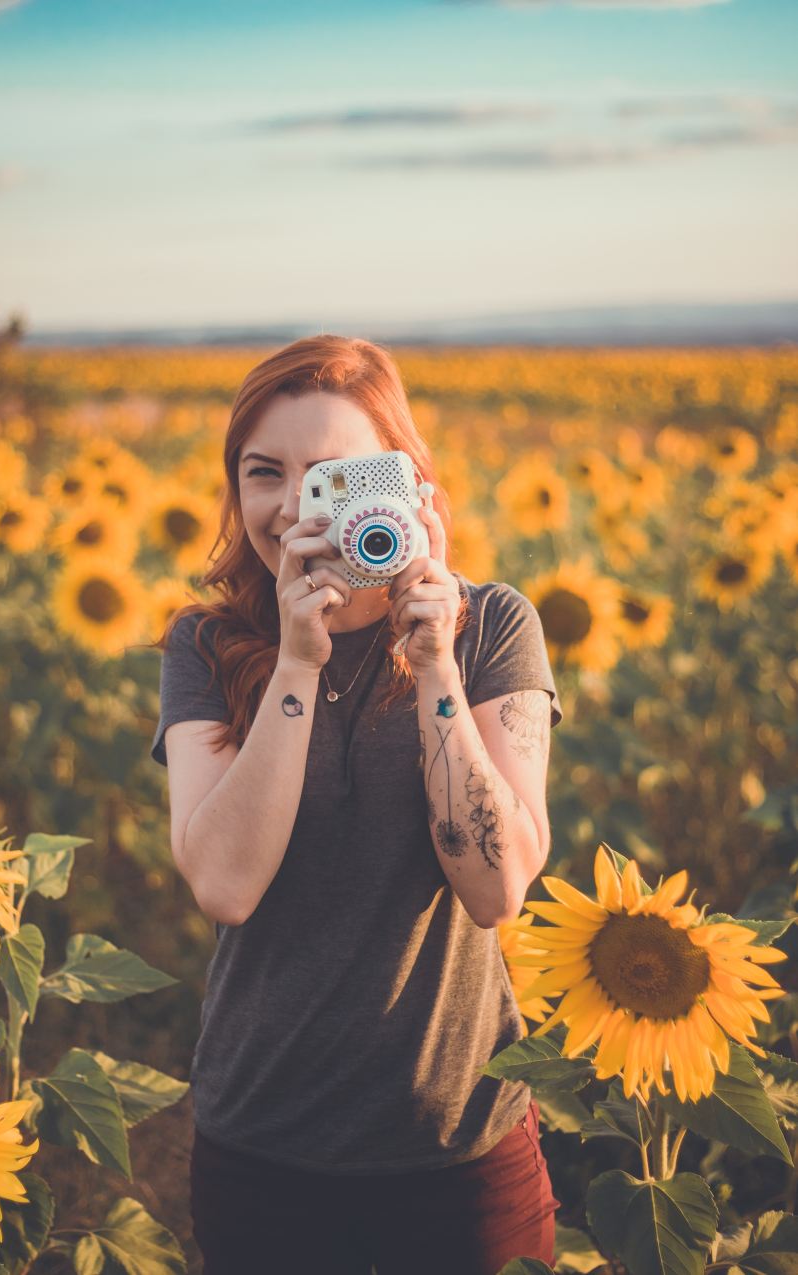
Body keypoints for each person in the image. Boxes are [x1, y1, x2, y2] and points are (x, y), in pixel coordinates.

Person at [150, 334, 563, 1275]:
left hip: (458, 1139)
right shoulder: (208, 645)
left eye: (335, 479)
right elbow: (224, 882)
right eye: (265, 474)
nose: (295, 507)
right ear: (235, 491)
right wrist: (297, 659)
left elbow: (497, 890)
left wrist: (436, 667)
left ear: (407, 487)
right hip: (266, 1140)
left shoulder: (493, 625)